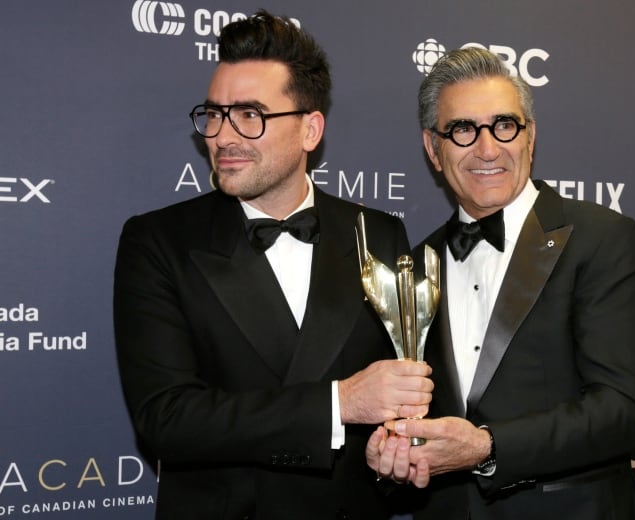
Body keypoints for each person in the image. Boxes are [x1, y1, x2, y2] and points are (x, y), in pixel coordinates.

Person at [113, 10, 433, 520]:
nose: (222, 136)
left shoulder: (377, 233)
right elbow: (166, 419)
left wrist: (391, 452)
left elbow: (397, 402)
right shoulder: (158, 241)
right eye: (214, 115)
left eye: (250, 115)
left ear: (310, 129)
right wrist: (338, 404)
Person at [367, 47, 635, 519]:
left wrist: (486, 446)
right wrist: (387, 461)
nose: (487, 148)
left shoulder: (603, 239)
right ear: (432, 149)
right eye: (462, 130)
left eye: (504, 125)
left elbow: (622, 414)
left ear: (530, 137)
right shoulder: (412, 267)